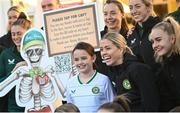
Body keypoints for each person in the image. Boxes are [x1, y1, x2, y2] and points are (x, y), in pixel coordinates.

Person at [100, 32, 159, 111]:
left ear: (121, 49)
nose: (103, 53)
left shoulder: (138, 69)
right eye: (101, 49)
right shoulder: (110, 73)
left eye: (108, 48)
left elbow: (151, 104)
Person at [66, 42, 115, 112]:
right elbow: (70, 110)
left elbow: (113, 107)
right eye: (76, 59)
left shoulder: (104, 80)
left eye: (83, 58)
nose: (80, 62)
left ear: (93, 58)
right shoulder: (70, 83)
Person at [0, 16, 31, 112]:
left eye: (19, 33)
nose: (16, 37)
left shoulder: (39, 53)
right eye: (13, 34)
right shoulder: (6, 54)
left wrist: (28, 64)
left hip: (36, 104)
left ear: (28, 33)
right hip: (14, 106)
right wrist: (14, 74)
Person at [149, 17, 180, 111]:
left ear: (172, 39)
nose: (154, 45)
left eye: (158, 40)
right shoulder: (160, 69)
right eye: (152, 42)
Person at [96, 0, 129, 76]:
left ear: (122, 14)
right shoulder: (97, 38)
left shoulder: (130, 36)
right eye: (105, 14)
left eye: (113, 13)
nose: (109, 17)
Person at [127, 0, 161, 73]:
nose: (133, 11)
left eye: (138, 6)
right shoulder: (131, 34)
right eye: (131, 8)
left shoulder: (161, 28)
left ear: (148, 7)